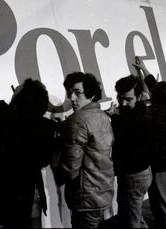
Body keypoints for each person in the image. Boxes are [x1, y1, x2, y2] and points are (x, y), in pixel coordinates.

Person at [0, 38, 55, 228]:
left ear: (18, 99)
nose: (15, 87)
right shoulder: (46, 127)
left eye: (18, 89)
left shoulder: (2, 116)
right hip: (24, 198)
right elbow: (43, 159)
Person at [60, 72, 115, 228]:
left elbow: (71, 168)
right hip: (103, 191)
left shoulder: (77, 119)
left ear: (90, 94)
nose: (72, 98)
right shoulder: (103, 116)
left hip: (85, 197)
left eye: (77, 93)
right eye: (69, 93)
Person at [133, 57, 166, 228]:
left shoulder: (152, 113)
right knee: (160, 200)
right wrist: (143, 68)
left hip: (161, 163)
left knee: (162, 203)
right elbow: (155, 86)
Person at [110, 75, 152, 228]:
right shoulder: (139, 112)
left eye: (128, 99)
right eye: (120, 98)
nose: (122, 103)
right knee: (135, 215)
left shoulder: (140, 118)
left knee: (132, 220)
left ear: (140, 96)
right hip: (136, 172)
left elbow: (127, 139)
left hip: (134, 174)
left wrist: (114, 118)